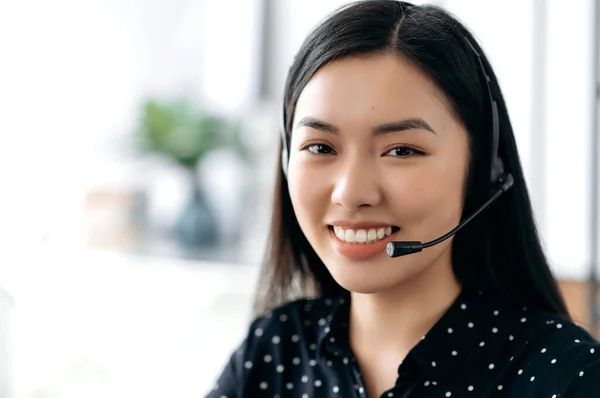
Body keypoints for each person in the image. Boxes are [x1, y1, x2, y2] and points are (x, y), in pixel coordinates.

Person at [206, 1, 600, 397]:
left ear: (482, 170)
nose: (351, 193)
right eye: (322, 147)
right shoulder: (272, 351)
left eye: (401, 151)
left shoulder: (567, 376)